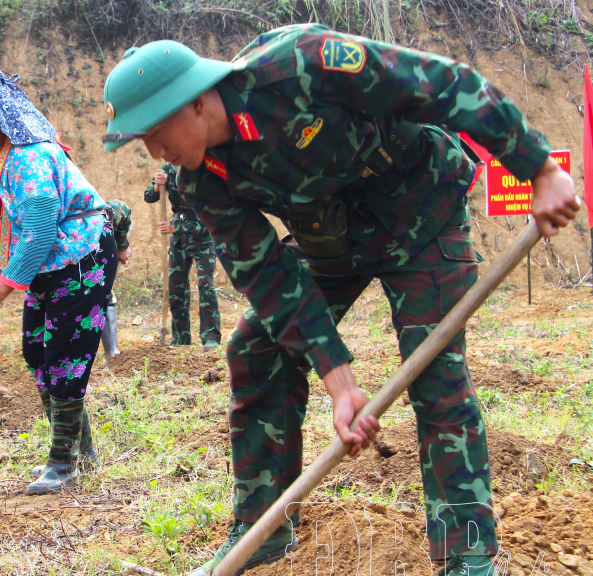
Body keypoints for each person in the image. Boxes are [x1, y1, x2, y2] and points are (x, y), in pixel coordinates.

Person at [101, 24, 578, 576]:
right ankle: (262, 532)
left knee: (436, 377)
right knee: (257, 349)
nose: (154, 151)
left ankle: (468, 555)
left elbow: (445, 84)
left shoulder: (300, 66)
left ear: (198, 101)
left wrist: (539, 168)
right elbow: (269, 278)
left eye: (156, 132)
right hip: (332, 241)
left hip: (421, 216)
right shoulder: (199, 179)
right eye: (143, 141)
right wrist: (341, 383)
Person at [0, 60, 117, 495]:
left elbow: (42, 229)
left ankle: (63, 463)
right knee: (36, 352)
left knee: (65, 358)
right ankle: (81, 450)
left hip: (80, 258)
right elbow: (11, 217)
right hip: (44, 264)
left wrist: (0, 288)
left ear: (0, 114)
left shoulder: (32, 156)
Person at [144, 163, 221, 349]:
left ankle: (210, 337)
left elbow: (212, 217)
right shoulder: (169, 168)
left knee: (206, 285)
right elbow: (148, 196)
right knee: (175, 288)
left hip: (203, 237)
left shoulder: (205, 169)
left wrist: (175, 227)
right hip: (179, 239)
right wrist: (157, 186)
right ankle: (181, 338)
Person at [101, 198, 133, 359]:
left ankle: (111, 353)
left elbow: (123, 208)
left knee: (104, 293)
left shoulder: (102, 213)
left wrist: (121, 244)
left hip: (99, 260)